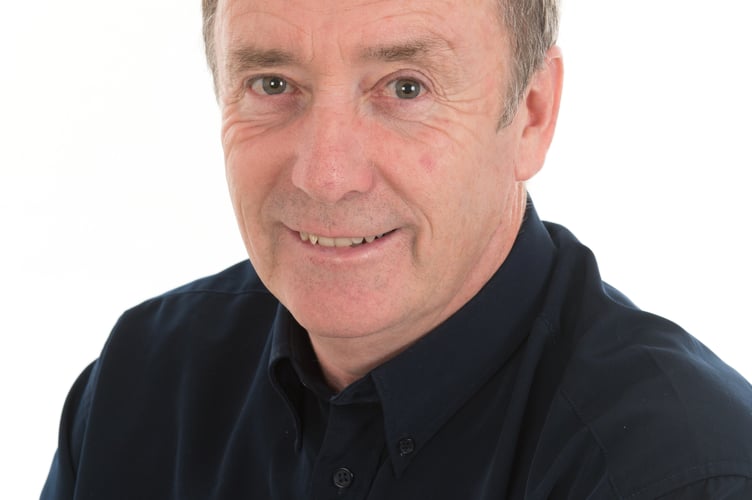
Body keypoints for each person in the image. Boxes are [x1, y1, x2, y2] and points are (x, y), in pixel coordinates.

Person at [41, 0, 752, 498]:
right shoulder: (139, 386)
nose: (326, 176)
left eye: (406, 88)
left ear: (532, 115)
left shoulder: (680, 474)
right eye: (272, 84)